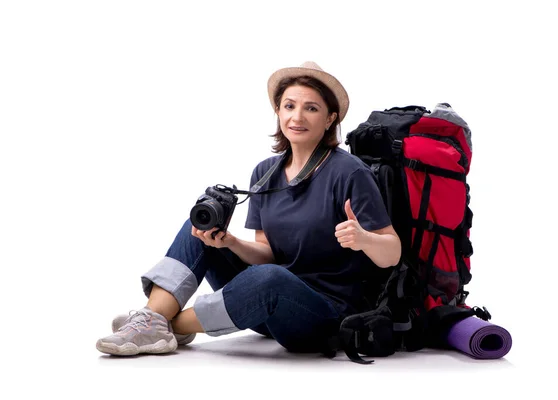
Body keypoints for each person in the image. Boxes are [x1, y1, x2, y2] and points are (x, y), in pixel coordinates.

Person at [96, 61, 402, 356]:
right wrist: (229, 242)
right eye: (289, 106)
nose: (298, 116)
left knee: (269, 278)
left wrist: (363, 239)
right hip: (268, 303)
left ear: (330, 119)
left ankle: (163, 325)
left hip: (321, 315)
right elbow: (267, 252)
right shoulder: (265, 172)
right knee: (199, 231)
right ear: (278, 112)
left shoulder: (350, 172)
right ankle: (152, 318)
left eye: (311, 108)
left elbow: (392, 253)